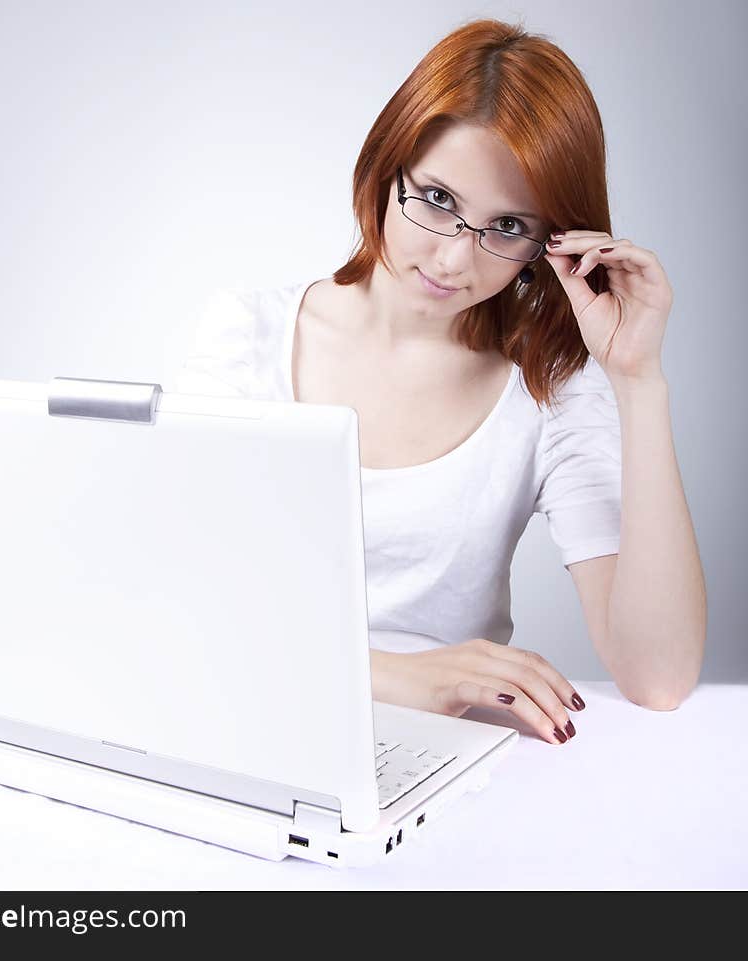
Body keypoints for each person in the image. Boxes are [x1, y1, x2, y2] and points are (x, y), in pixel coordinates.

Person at [174, 18, 706, 745]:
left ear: (548, 245)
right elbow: (179, 609)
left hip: (442, 765)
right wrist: (402, 676)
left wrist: (640, 381)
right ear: (388, 164)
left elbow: (659, 676)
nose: (455, 260)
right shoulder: (248, 338)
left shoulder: (546, 391)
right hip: (247, 730)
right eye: (439, 201)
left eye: (508, 224)